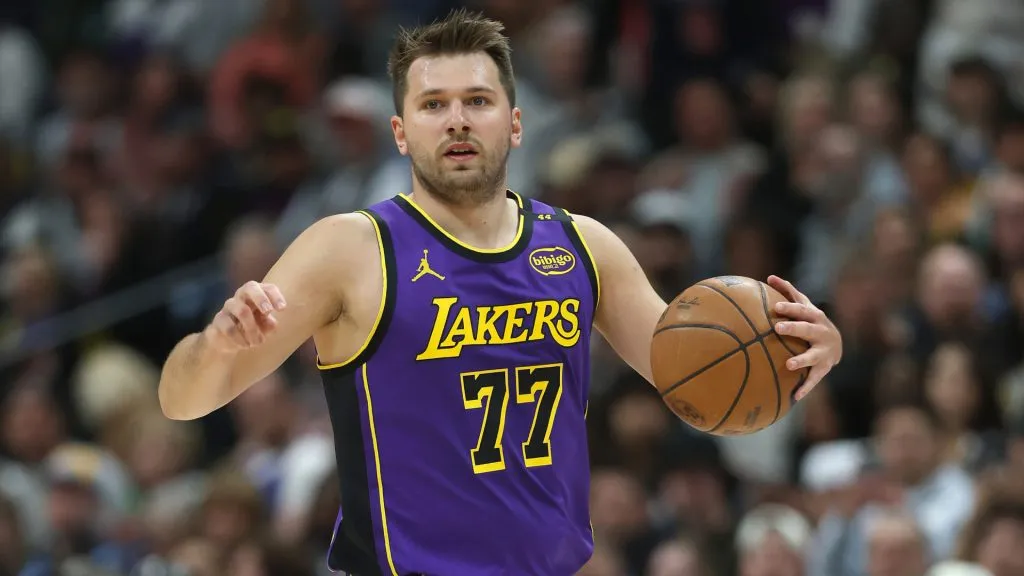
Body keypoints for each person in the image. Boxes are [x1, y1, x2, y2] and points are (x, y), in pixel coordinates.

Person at [157, 9, 844, 575]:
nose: (456, 120)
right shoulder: (349, 249)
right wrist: (215, 344)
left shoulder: (582, 245)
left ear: (514, 123)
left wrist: (809, 354)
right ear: (401, 132)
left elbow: (700, 382)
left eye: (477, 101)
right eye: (433, 105)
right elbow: (182, 402)